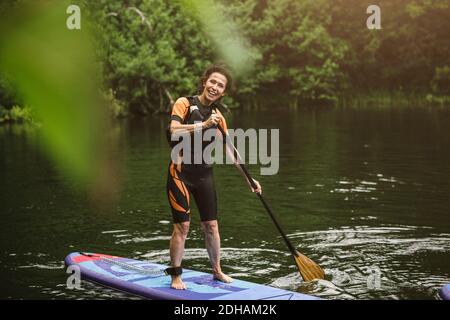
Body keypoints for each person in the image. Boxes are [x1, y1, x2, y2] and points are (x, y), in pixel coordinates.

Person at [166, 64, 262, 290]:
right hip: (180, 173)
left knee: (211, 225)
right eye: (213, 82)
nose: (215, 87)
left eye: (220, 85)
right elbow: (174, 130)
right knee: (182, 227)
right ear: (204, 82)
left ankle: (217, 270)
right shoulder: (184, 103)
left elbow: (231, 152)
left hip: (204, 175)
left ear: (223, 92)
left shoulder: (219, 118)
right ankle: (175, 276)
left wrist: (250, 179)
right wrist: (204, 125)